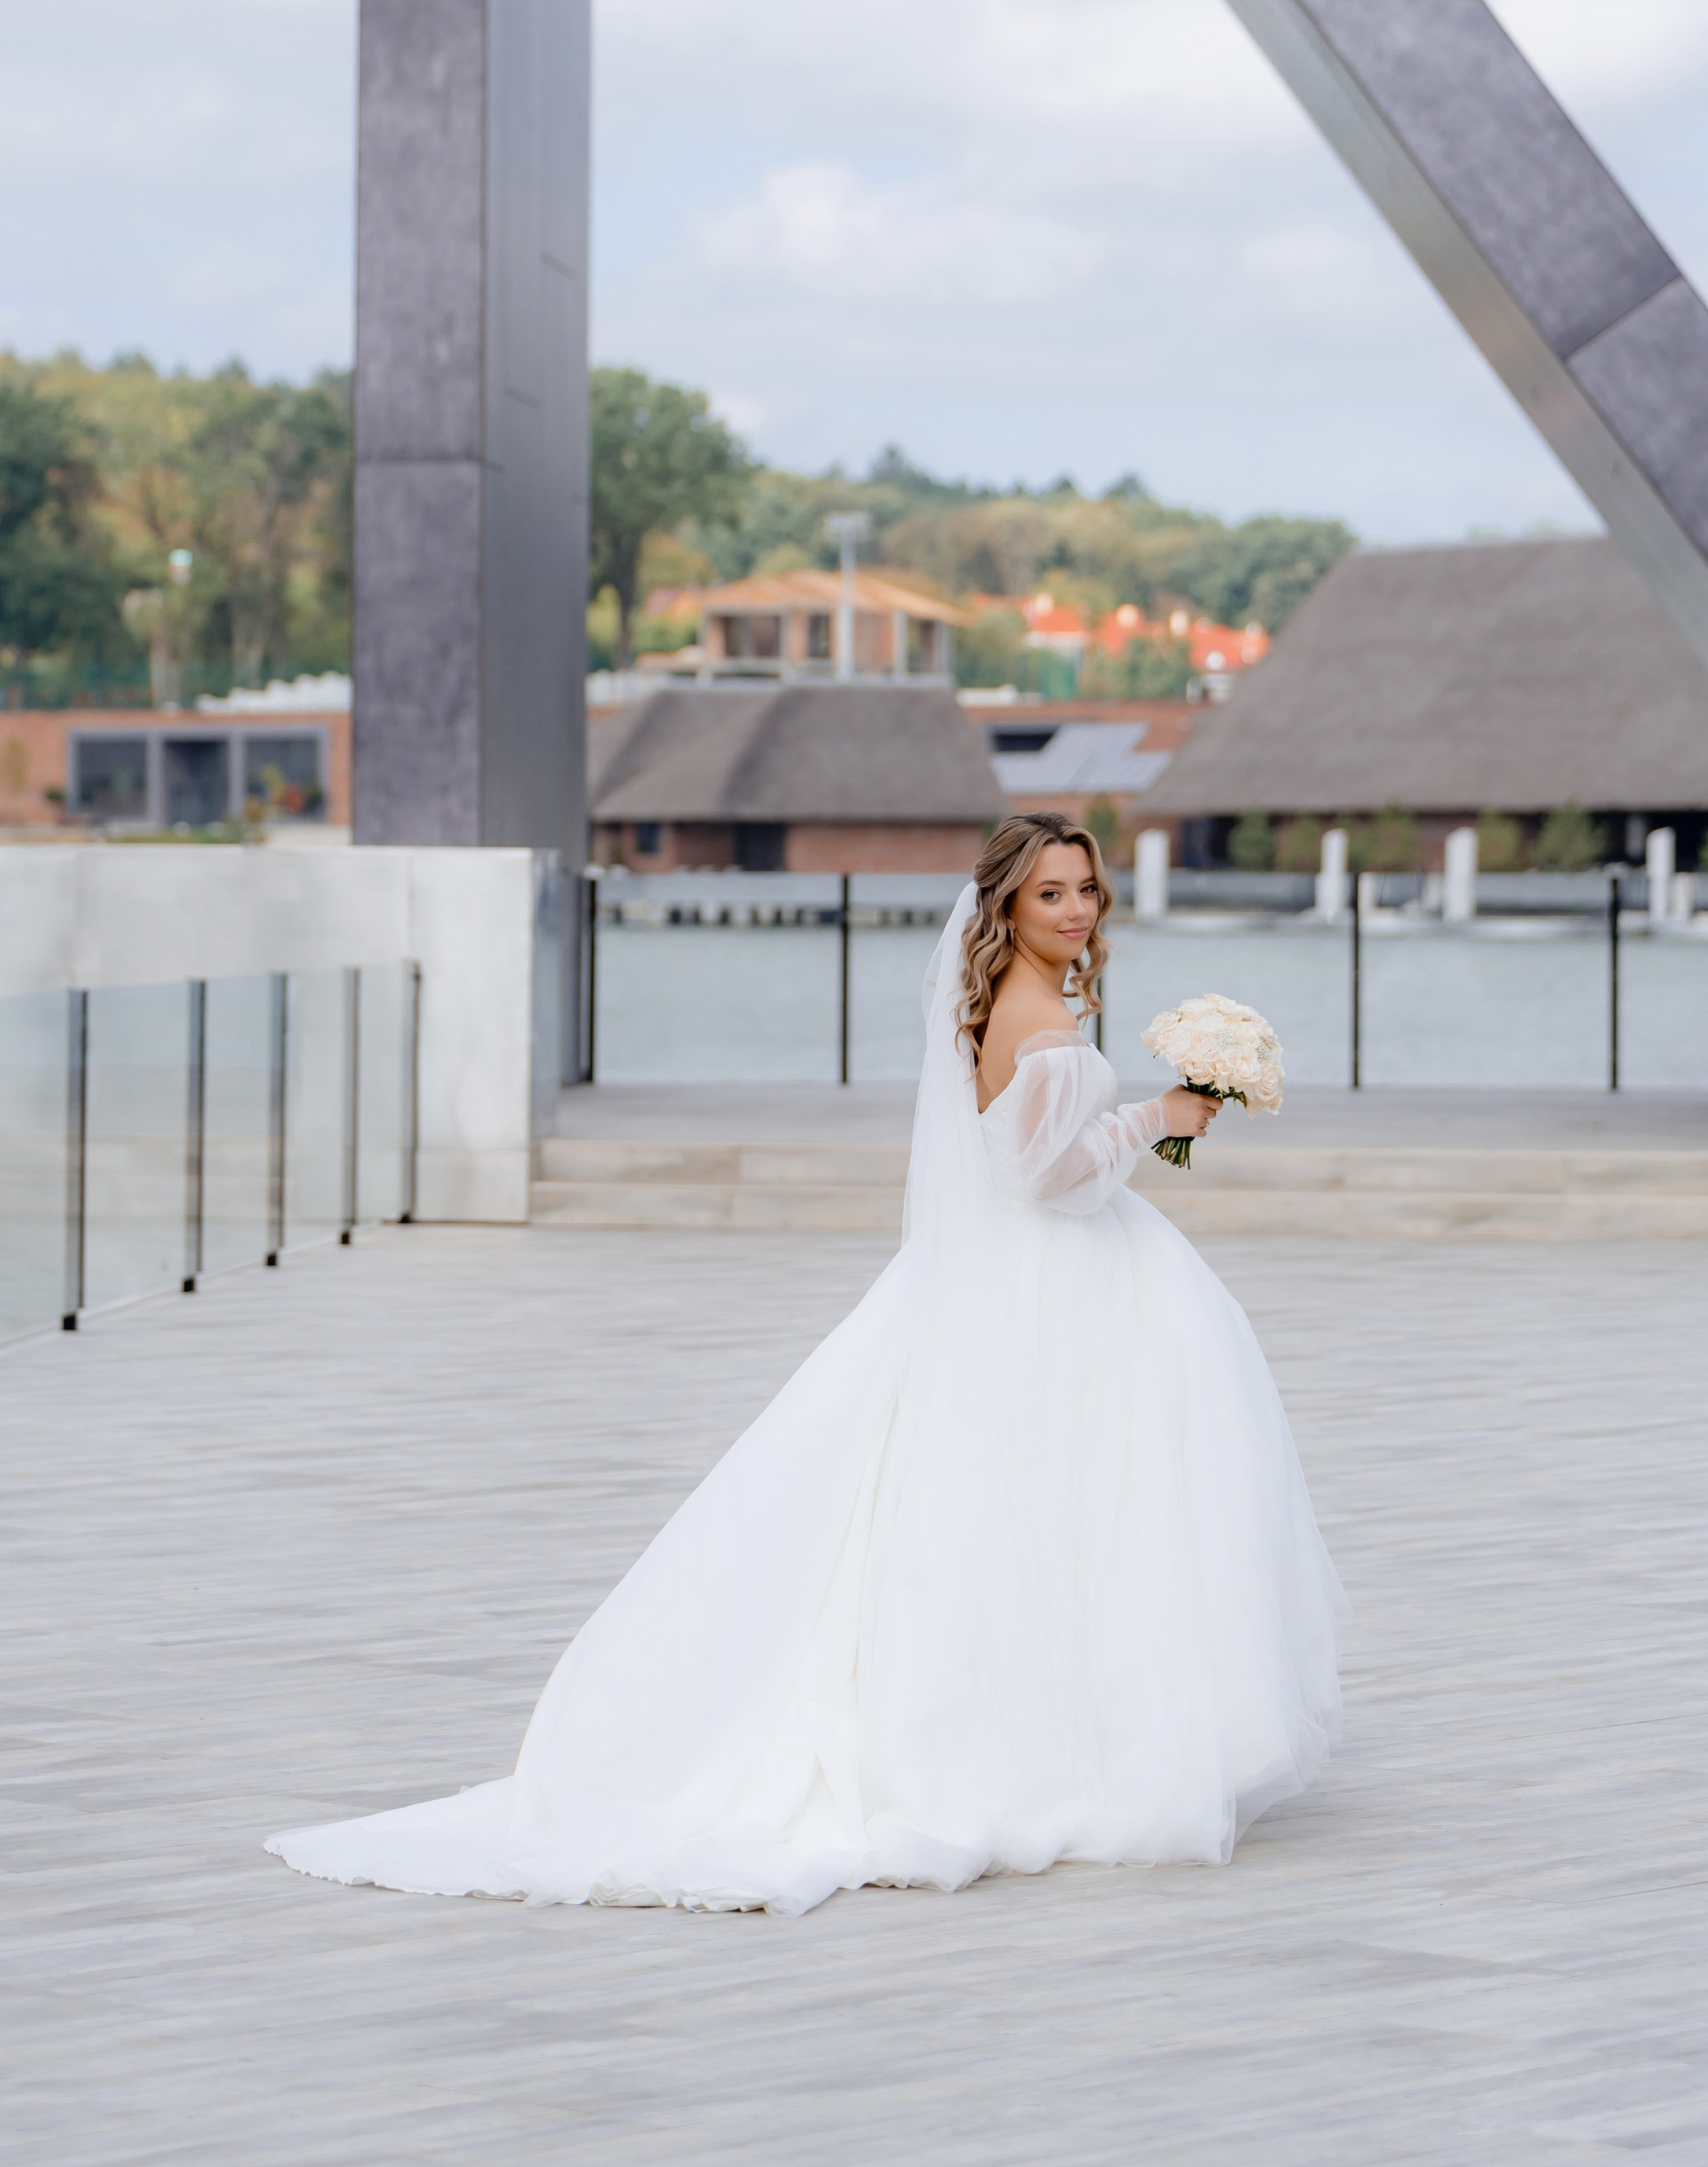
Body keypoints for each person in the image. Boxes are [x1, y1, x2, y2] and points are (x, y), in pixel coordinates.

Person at [268, 812, 1345, 1915]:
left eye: (1086, 890)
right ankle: (1059, 1745)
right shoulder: (1040, 1019)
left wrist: (1134, 1121)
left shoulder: (1021, 1004)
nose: (1076, 910)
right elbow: (1047, 1183)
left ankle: (1060, 1730)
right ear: (1007, 908)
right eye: (1051, 894)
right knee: (1073, 1504)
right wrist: (1160, 1115)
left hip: (1008, 1279)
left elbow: (1033, 1154)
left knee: (1029, 1509)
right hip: (1048, 1279)